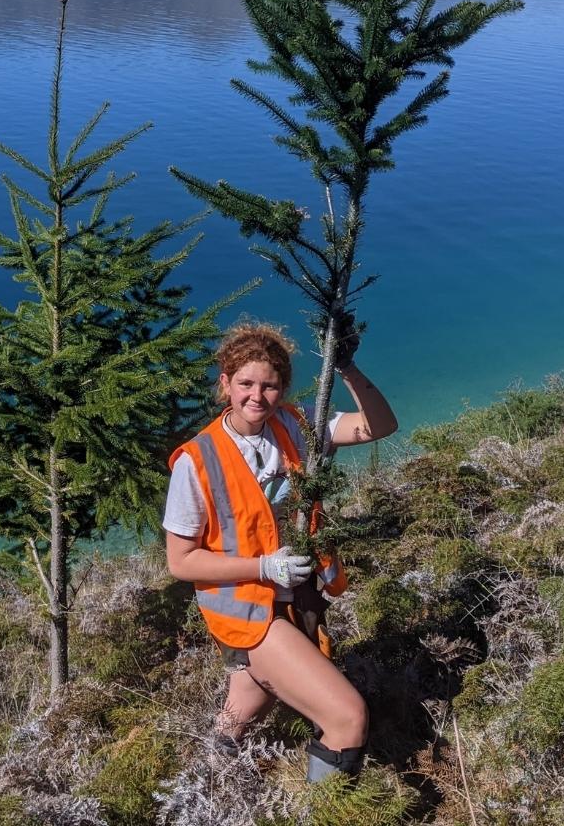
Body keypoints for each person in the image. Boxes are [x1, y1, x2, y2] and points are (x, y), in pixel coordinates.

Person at [162, 321, 398, 781]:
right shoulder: (197, 460)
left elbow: (380, 426)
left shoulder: (296, 423)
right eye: (245, 383)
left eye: (269, 386)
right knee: (347, 717)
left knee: (245, 709)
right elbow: (181, 561)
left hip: (296, 599)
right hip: (249, 612)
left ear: (283, 388)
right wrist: (264, 567)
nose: (257, 396)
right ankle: (326, 812)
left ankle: (208, 787)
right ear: (225, 383)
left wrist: (346, 367)